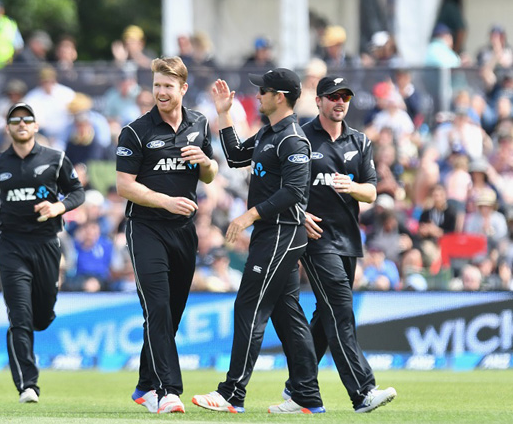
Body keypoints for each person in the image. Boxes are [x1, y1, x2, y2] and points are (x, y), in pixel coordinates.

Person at [192, 68, 324, 414]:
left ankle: (232, 393)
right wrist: (222, 115)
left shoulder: (293, 139)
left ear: (279, 96)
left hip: (281, 231)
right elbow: (236, 157)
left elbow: (294, 191)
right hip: (273, 232)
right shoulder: (270, 132)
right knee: (287, 315)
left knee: (248, 306)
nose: (258, 96)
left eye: (263, 91)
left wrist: (250, 214)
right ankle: (307, 396)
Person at [282, 75, 396, 413]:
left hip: (348, 240)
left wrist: (352, 186)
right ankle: (362, 392)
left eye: (344, 96)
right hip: (315, 239)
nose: (339, 102)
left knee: (324, 316)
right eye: (332, 96)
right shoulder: (299, 136)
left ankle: (297, 390)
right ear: (318, 101)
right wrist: (298, 214)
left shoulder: (359, 141)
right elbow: (280, 184)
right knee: (341, 311)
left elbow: (372, 191)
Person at [115, 56, 218, 414]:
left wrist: (205, 163)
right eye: (157, 85)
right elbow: (124, 186)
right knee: (157, 307)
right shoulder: (135, 130)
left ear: (183, 89)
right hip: (145, 229)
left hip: (184, 231)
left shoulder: (200, 123)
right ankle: (167, 391)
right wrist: (165, 202)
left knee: (171, 314)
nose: (160, 92)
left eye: (168, 86)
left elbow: (210, 174)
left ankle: (144, 384)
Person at [0, 102, 85, 404]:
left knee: (42, 317)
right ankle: (28, 385)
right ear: (8, 128)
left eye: (27, 120)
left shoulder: (55, 159)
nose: (21, 124)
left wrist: (58, 207)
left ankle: (46, 307)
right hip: (11, 245)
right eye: (15, 120)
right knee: (19, 317)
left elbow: (77, 192)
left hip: (47, 243)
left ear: (36, 126)